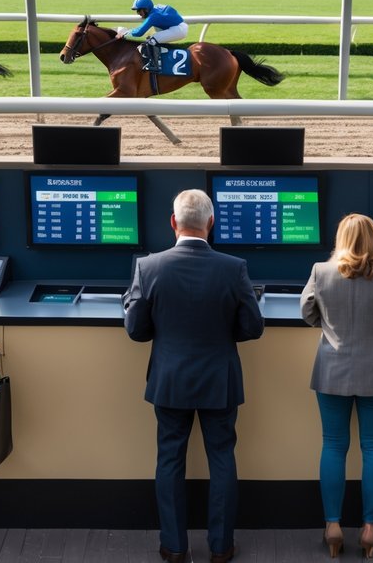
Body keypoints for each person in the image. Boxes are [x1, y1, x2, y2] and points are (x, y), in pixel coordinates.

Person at [123, 189, 265, 563]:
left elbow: (136, 330)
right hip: (219, 379)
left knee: (169, 460)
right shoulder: (234, 268)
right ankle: (221, 548)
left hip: (170, 381)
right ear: (210, 223)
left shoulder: (148, 267)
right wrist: (223, 333)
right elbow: (253, 327)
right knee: (222, 459)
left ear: (173, 222)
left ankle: (174, 547)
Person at [300, 213, 373, 559]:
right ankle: (370, 529)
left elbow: (307, 313)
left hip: (332, 371)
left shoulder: (321, 272)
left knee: (333, 445)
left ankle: (333, 526)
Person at [117, 0, 188, 73]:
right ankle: (162, 53)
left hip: (178, 30)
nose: (138, 13)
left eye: (139, 10)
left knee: (151, 41)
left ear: (146, 9)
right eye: (137, 11)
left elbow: (139, 32)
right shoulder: (156, 8)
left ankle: (155, 65)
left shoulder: (153, 16)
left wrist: (125, 33)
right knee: (153, 38)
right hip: (178, 26)